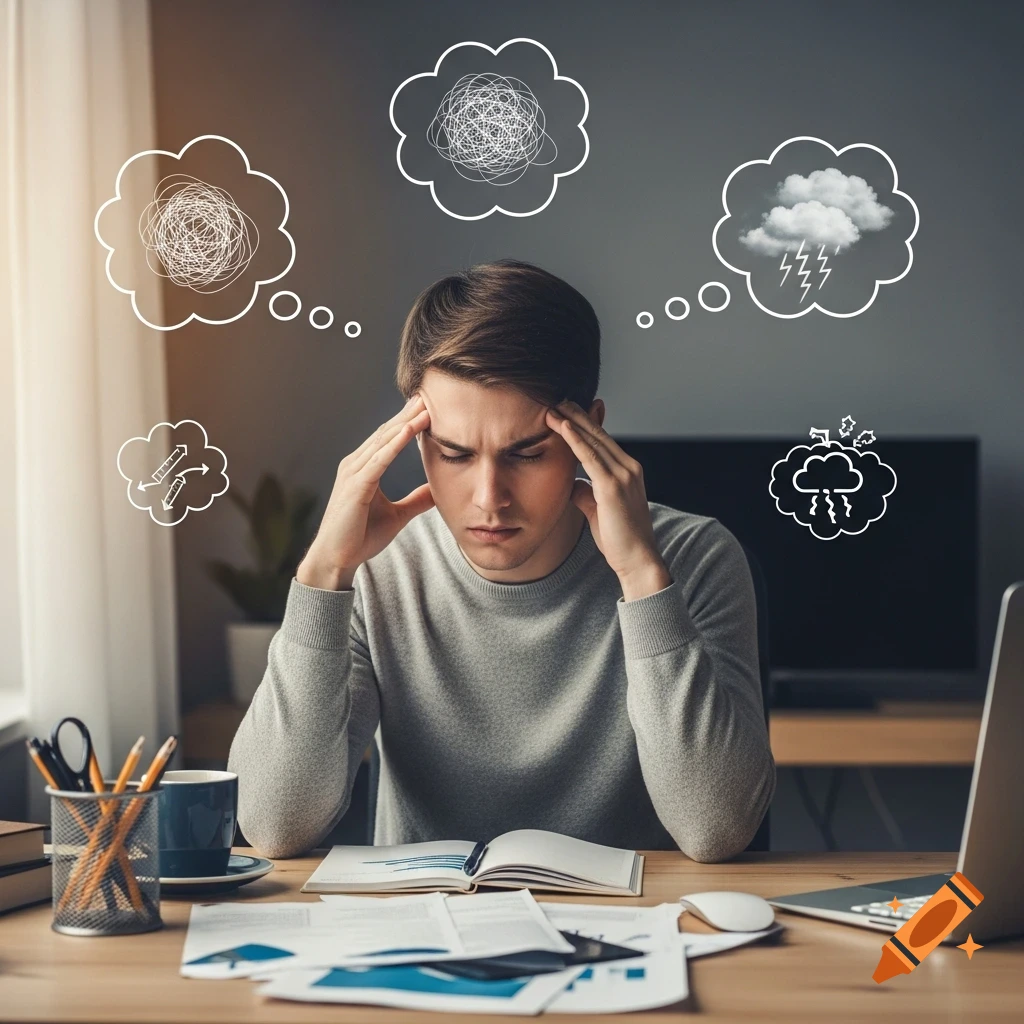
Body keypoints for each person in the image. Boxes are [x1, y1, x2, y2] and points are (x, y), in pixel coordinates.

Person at [228, 259, 775, 862]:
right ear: (415, 435)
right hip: (428, 914)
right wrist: (324, 575)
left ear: (591, 434)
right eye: (454, 454)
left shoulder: (693, 559)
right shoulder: (378, 571)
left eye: (528, 454)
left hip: (638, 915)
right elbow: (273, 825)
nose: (490, 499)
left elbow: (716, 830)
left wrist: (644, 579)